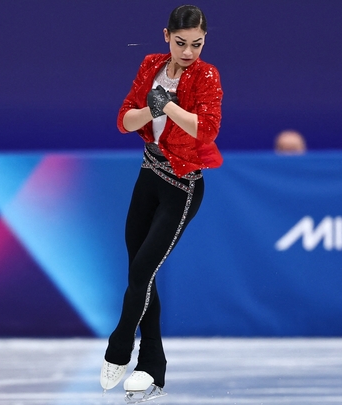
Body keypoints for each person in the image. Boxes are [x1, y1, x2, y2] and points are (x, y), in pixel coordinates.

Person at [99, 5, 222, 402]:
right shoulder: (151, 64)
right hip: (148, 176)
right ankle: (153, 366)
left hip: (182, 186)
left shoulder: (206, 75)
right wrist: (150, 106)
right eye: (181, 42)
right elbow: (124, 121)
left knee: (142, 270)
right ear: (166, 35)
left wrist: (166, 105)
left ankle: (119, 346)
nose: (188, 52)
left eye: (197, 44)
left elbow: (206, 130)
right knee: (140, 271)